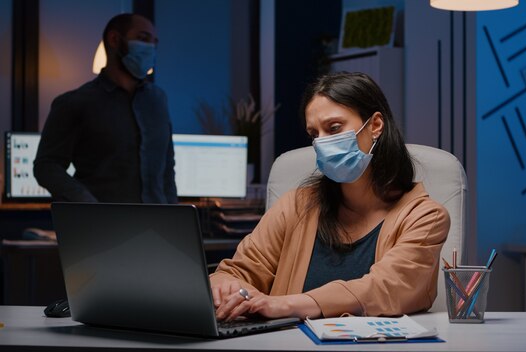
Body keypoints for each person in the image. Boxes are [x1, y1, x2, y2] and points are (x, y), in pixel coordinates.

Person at [210, 72, 450, 320]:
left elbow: (386, 288)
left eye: (334, 128)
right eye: (314, 134)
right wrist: (229, 286)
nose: (321, 143)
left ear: (376, 125)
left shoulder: (426, 217)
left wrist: (284, 305)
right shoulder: (296, 205)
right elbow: (238, 270)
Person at [34, 13, 177, 204]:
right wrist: (84, 200)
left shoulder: (158, 100)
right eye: (143, 39)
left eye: (154, 42)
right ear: (114, 40)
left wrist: (173, 216)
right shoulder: (76, 102)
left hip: (156, 226)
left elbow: (167, 168)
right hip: (102, 226)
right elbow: (47, 166)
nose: (151, 47)